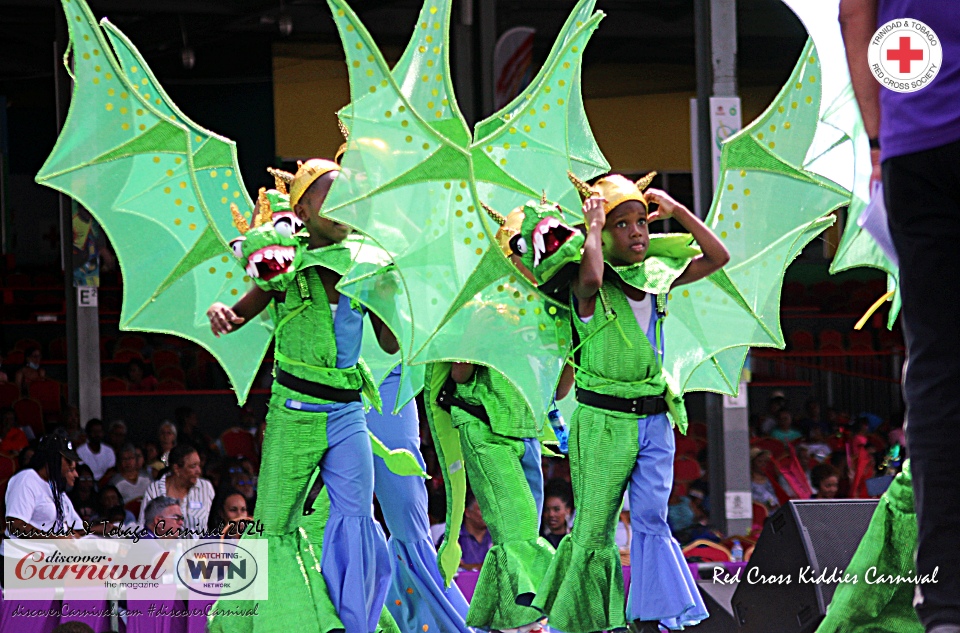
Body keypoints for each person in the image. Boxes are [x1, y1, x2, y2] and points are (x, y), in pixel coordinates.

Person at [206, 159, 398, 633]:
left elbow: (390, 342)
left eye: (351, 198)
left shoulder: (364, 261)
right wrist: (223, 314)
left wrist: (392, 295)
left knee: (357, 516)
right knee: (274, 524)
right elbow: (241, 311)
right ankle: (262, 624)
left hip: (347, 407)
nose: (343, 208)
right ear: (304, 209)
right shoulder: (283, 261)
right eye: (331, 198)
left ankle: (355, 623)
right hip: (294, 411)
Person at [535, 175, 728, 633]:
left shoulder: (658, 277)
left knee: (651, 519)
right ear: (602, 234)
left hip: (655, 419)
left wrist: (677, 210)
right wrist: (592, 225)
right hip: (602, 421)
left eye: (641, 221)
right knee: (595, 530)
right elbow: (593, 275)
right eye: (622, 224)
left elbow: (719, 257)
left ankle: (652, 617)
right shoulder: (586, 287)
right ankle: (580, 622)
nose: (637, 231)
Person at [841, 2, 960, 631]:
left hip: (916, 140)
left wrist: (882, 139)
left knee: (938, 368)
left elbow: (853, 10)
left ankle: (947, 605)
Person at [139, 443, 214, 535]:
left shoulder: (205, 487)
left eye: (199, 465)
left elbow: (214, 524)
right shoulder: (155, 490)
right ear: (176, 469)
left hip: (199, 548)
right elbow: (143, 526)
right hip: (163, 548)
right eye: (193, 466)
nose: (198, 471)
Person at [457, 488, 492, 570]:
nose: (488, 514)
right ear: (467, 512)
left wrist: (466, 566)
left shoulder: (497, 537)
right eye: (482, 510)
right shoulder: (453, 538)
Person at [541, 479, 573, 549]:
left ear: (568, 510)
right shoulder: (539, 540)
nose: (551, 514)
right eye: (547, 510)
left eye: (556, 509)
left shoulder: (574, 540)